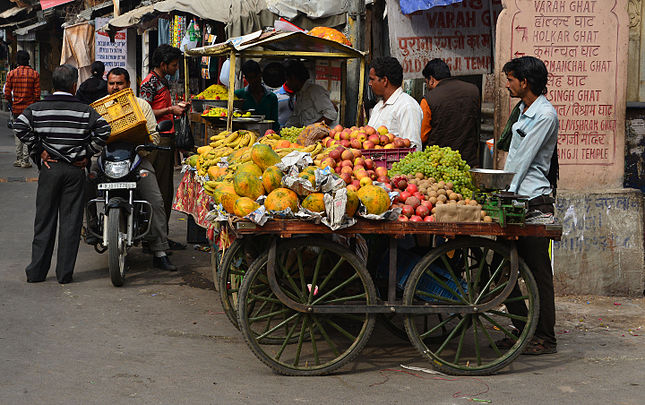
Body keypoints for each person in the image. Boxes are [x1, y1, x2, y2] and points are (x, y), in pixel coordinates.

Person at [14, 64, 111, 283]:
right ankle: (64, 274)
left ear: (53, 84)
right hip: (75, 170)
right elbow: (104, 130)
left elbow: (19, 127)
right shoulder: (86, 110)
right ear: (74, 85)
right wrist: (87, 153)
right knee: (71, 222)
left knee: (44, 220)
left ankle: (36, 273)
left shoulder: (37, 108)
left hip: (50, 169)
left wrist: (40, 149)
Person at [500, 56, 559, 355]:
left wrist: (507, 190)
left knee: (537, 274)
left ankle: (546, 338)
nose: (507, 84)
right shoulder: (522, 111)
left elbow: (524, 159)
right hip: (515, 197)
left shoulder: (545, 115)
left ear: (524, 82)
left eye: (510, 79)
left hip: (533, 200)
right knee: (505, 267)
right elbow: (512, 155)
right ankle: (523, 329)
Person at [99, 67, 176, 270]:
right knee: (82, 185)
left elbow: (155, 134)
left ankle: (159, 250)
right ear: (107, 85)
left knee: (156, 201)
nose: (115, 87)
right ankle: (90, 230)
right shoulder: (100, 108)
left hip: (137, 160)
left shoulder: (141, 105)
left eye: (120, 83)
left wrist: (144, 142)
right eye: (112, 83)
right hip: (108, 162)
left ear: (129, 85)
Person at [140, 44, 190, 250]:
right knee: (159, 191)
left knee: (166, 189)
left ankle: (159, 235)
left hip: (167, 137)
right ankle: (154, 238)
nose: (176, 68)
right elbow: (145, 111)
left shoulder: (162, 81)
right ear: (163, 64)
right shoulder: (150, 82)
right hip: (158, 139)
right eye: (174, 65)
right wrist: (171, 109)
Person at [421, 58, 481, 168]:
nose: (429, 87)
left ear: (431, 79)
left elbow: (423, 135)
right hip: (468, 160)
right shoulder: (473, 90)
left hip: (439, 163)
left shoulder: (428, 100)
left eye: (427, 83)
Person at [367, 57, 423, 151]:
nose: (370, 83)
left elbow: (414, 148)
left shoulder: (407, 106)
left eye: (372, 79)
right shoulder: (378, 107)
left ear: (384, 81)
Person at [5, 50, 40, 168]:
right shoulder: (34, 74)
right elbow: (37, 94)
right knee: (28, 132)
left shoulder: (11, 74)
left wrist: (11, 102)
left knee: (17, 132)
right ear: (28, 60)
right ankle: (26, 160)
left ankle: (18, 158)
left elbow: (7, 93)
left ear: (17, 61)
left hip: (16, 109)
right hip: (29, 109)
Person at [283, 59, 337, 127]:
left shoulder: (315, 91)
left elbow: (331, 114)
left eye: (287, 80)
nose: (286, 84)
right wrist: (284, 129)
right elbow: (296, 119)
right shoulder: (299, 94)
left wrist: (311, 129)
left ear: (294, 78)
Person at [234, 60, 280, 132]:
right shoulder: (238, 95)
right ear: (245, 78)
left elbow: (275, 123)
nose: (252, 81)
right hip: (244, 136)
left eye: (254, 77)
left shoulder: (271, 97)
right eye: (249, 78)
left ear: (260, 75)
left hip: (266, 136)